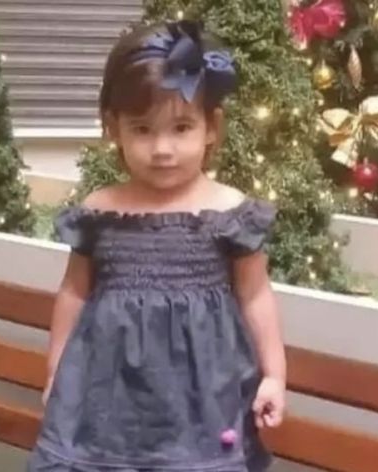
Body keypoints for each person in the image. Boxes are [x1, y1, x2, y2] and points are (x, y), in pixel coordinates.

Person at [27, 20, 286, 472]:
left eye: (181, 127)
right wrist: (56, 372)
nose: (162, 148)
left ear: (211, 127)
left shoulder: (230, 213)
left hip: (202, 402)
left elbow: (255, 295)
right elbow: (74, 292)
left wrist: (275, 376)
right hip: (105, 401)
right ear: (114, 129)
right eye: (143, 129)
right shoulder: (100, 212)